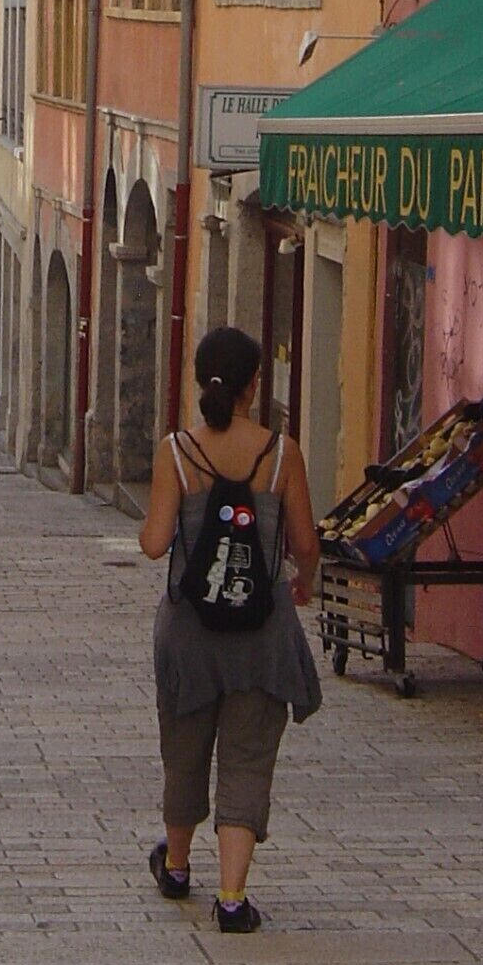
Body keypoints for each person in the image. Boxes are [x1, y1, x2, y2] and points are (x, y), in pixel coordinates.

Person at [138, 325, 321, 933]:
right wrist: (305, 583)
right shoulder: (282, 454)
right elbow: (305, 544)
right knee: (247, 758)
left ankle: (177, 866)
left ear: (199, 380)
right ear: (254, 385)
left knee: (183, 751)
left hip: (188, 633)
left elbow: (154, 543)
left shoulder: (176, 451)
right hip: (261, 635)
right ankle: (234, 898)